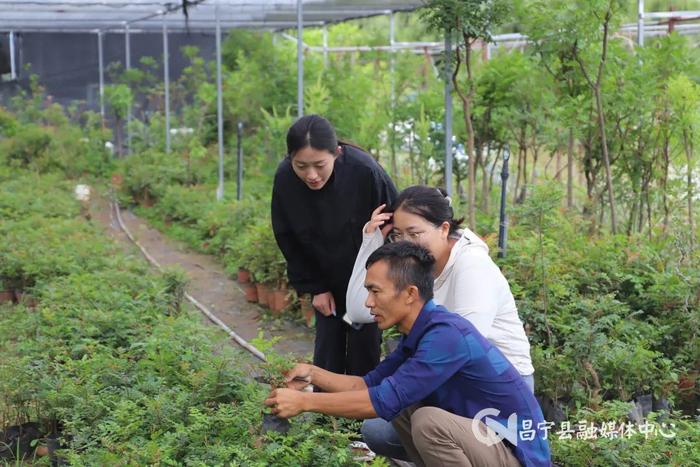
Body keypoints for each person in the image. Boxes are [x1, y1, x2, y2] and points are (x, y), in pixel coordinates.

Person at [264, 242, 552, 467]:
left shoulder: (446, 337)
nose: (368, 302)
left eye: (375, 291)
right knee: (407, 408)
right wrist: (312, 374)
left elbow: (379, 402)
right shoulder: (421, 331)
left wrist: (305, 401)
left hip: (516, 454)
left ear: (410, 293)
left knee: (428, 422)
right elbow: (369, 385)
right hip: (484, 442)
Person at [345, 186, 535, 460]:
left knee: (420, 422)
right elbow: (358, 311)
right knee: (383, 426)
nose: (406, 243)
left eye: (415, 233)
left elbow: (466, 353)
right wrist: (371, 241)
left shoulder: (472, 268)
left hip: (494, 388)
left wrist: (307, 401)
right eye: (398, 235)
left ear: (444, 228)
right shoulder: (420, 268)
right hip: (448, 379)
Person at [271, 114, 398, 377]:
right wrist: (316, 287)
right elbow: (287, 237)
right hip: (324, 276)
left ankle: (359, 414)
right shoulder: (285, 179)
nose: (312, 175)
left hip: (367, 277)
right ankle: (324, 414)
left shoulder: (364, 171)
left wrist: (382, 278)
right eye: (301, 166)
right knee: (328, 347)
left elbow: (394, 221)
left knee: (365, 348)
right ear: (289, 159)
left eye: (319, 165)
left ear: (337, 153)